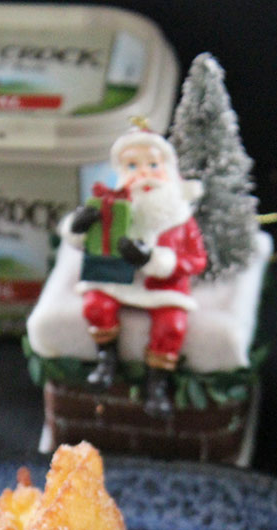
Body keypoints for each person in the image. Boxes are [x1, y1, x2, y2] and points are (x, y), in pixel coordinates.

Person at [60, 124, 207, 416]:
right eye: (132, 165)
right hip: (116, 279)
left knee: (171, 325)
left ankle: (156, 385)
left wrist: (156, 260)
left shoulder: (179, 217)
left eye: (153, 164)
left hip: (163, 288)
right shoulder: (112, 206)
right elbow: (84, 242)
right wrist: (78, 227)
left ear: (168, 168)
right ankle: (107, 361)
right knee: (96, 305)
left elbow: (197, 260)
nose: (144, 173)